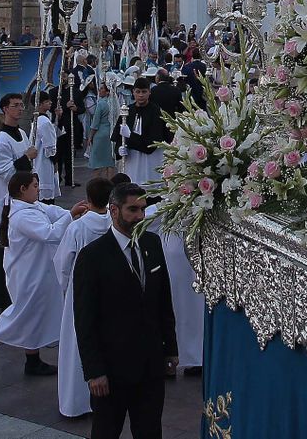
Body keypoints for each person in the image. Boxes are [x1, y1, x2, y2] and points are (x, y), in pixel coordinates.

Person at [73, 182, 178, 438]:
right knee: (107, 431)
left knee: (150, 431)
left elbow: (163, 300)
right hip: (112, 369)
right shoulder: (93, 256)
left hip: (150, 364)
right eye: (132, 209)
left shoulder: (152, 244)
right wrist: (94, 371)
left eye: (143, 209)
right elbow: (85, 319)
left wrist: (171, 348)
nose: (140, 216)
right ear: (114, 210)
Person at [0, 172, 73, 375]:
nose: (38, 189)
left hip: (36, 270)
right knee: (23, 312)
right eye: (35, 186)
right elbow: (50, 233)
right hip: (28, 274)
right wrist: (71, 215)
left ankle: (32, 359)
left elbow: (54, 212)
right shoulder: (21, 217)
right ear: (23, 189)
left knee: (33, 314)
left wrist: (70, 213)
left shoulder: (32, 206)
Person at [55, 176, 115, 418]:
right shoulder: (115, 224)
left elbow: (62, 262)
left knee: (77, 344)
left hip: (80, 292)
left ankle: (75, 403)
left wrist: (67, 288)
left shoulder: (78, 227)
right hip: (110, 291)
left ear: (88, 200)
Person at [0, 93, 36, 309]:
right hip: (6, 200)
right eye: (15, 106)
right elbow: (4, 172)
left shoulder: (22, 134)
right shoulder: (1, 140)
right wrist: (26, 158)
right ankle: (1, 295)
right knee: (3, 246)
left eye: (21, 105)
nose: (19, 109)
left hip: (22, 199)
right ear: (5, 109)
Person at [146, 199, 204, 377]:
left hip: (194, 261)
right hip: (174, 263)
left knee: (192, 310)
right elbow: (145, 220)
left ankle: (196, 356)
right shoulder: (167, 206)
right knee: (171, 309)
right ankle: (170, 357)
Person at [122, 77, 170, 186]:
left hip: (151, 161)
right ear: (133, 92)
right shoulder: (127, 111)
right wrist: (120, 149)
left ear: (149, 92)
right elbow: (119, 136)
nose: (140, 95)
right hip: (132, 161)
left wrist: (130, 136)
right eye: (137, 91)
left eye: (144, 92)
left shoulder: (156, 111)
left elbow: (152, 142)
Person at [86, 77, 120, 180]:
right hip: (110, 133)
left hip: (100, 134)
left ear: (107, 91)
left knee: (97, 162)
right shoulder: (114, 102)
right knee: (110, 162)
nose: (99, 90)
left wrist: (90, 136)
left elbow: (95, 123)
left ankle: (96, 185)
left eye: (101, 89)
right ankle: (110, 184)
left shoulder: (101, 104)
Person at [31, 91, 59, 204]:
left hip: (38, 161)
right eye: (47, 101)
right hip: (44, 162)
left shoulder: (38, 119)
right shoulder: (44, 122)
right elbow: (50, 147)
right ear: (40, 104)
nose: (50, 103)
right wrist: (55, 162)